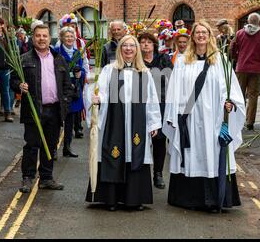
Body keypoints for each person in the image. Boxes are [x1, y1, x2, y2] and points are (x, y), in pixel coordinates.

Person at [163, 20, 246, 213]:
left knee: (212, 154)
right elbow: (174, 89)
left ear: (209, 36)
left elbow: (230, 88)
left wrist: (230, 103)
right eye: (197, 32)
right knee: (192, 155)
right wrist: (174, 116)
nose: (201, 35)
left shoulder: (220, 60)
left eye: (204, 32)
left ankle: (214, 199)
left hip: (213, 119)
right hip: (189, 118)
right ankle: (190, 199)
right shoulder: (183, 61)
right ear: (193, 37)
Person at [85, 34, 162, 211]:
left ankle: (133, 199)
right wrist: (97, 98)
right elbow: (100, 91)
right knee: (114, 153)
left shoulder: (144, 73)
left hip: (137, 125)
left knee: (135, 153)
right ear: (119, 49)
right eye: (125, 46)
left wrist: (153, 123)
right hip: (114, 123)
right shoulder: (109, 70)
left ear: (137, 50)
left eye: (132, 46)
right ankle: (111, 199)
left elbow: (151, 100)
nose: (128, 49)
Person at [11, 24, 74, 193]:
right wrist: (19, 86)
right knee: (32, 145)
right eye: (38, 36)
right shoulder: (24, 59)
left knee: (51, 145)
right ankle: (28, 178)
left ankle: (46, 178)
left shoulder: (58, 59)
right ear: (33, 37)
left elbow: (68, 86)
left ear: (49, 38)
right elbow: (14, 81)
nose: (41, 39)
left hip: (54, 110)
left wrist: (65, 105)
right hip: (33, 109)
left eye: (45, 36)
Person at [139, 32, 173, 189]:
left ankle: (158, 174)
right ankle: (140, 172)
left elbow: (171, 79)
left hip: (161, 103)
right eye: (142, 42)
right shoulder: (136, 61)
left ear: (154, 44)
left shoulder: (163, 59)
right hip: (140, 103)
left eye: (149, 42)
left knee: (159, 140)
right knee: (140, 139)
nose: (145, 44)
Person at [230, 13, 260, 130]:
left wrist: (237, 58)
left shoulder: (239, 33)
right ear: (259, 22)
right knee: (253, 96)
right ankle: (250, 122)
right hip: (256, 68)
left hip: (242, 67)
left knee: (240, 95)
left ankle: (238, 120)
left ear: (248, 21)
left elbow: (231, 47)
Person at [54, 27, 87, 158]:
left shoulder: (77, 53)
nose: (69, 39)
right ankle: (53, 149)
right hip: (59, 91)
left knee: (69, 123)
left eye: (71, 36)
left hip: (73, 91)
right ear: (62, 38)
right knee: (57, 123)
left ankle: (67, 148)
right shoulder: (56, 52)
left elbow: (82, 70)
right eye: (67, 36)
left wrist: (80, 74)